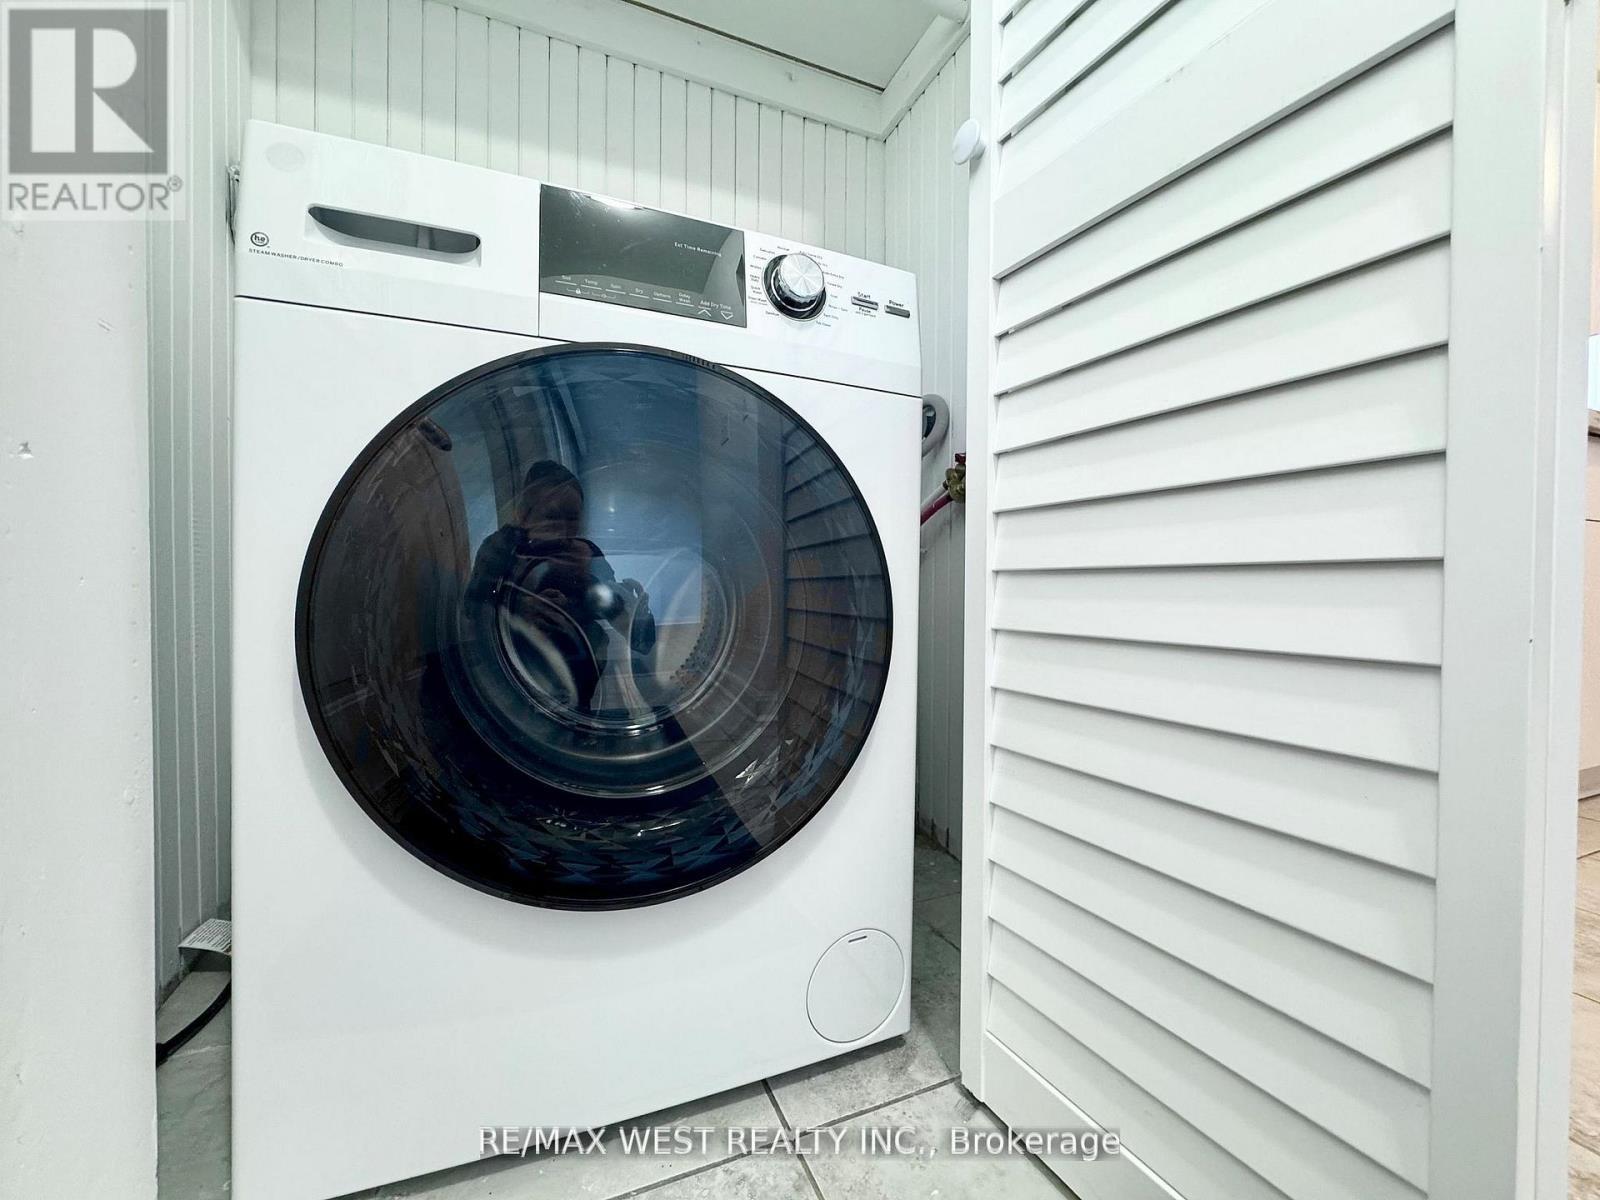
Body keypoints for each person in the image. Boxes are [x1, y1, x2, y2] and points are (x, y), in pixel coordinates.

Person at [464, 460, 656, 713]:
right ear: (523, 516)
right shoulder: (502, 548)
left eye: (572, 518)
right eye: (551, 517)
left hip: (576, 693)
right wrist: (519, 606)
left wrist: (633, 610)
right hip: (510, 689)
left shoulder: (585, 554)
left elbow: (636, 635)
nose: (564, 530)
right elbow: (473, 608)